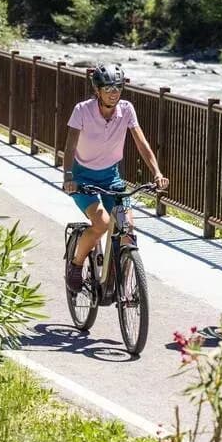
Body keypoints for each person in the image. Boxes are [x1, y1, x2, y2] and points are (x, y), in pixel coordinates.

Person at [62, 63, 169, 292]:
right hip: (82, 178)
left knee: (127, 229)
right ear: (97, 90)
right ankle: (76, 264)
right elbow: (70, 146)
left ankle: (121, 282)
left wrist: (157, 172)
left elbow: (141, 143)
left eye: (118, 87)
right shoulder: (82, 110)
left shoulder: (127, 109)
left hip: (112, 177)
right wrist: (69, 176)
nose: (114, 92)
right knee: (100, 223)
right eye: (108, 88)